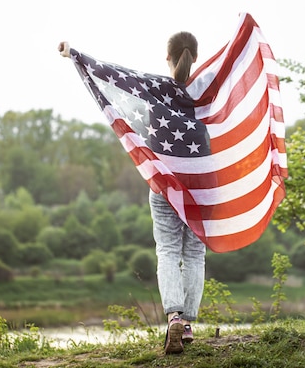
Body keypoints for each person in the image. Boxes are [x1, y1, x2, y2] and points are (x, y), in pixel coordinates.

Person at [58, 32, 205, 355]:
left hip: (166, 184)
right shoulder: (208, 88)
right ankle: (189, 324)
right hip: (200, 186)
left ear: (168, 58)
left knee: (167, 250)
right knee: (194, 254)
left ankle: (174, 316)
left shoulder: (154, 86)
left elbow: (111, 73)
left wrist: (75, 54)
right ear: (196, 56)